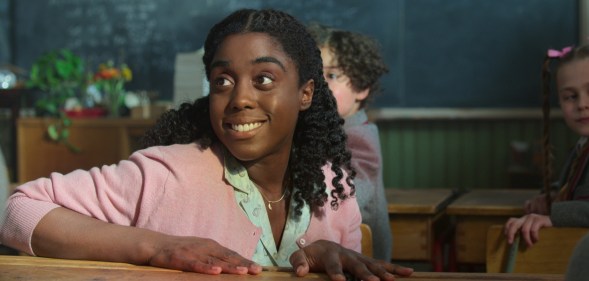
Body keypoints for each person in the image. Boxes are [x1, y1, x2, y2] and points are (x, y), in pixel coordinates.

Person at [0, 9, 413, 280]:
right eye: (223, 81)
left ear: (305, 93)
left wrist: (331, 262)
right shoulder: (170, 171)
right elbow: (18, 211)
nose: (240, 99)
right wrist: (157, 245)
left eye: (264, 79)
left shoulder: (333, 186)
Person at [307, 23, 392, 261]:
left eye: (332, 75)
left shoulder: (362, 138)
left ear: (362, 87)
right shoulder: (320, 130)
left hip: (363, 264)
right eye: (315, 74)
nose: (320, 84)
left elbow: (344, 197)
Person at [504, 45, 589, 247]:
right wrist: (554, 195)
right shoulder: (582, 146)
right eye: (571, 96)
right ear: (559, 101)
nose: (582, 104)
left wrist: (555, 217)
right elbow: (579, 188)